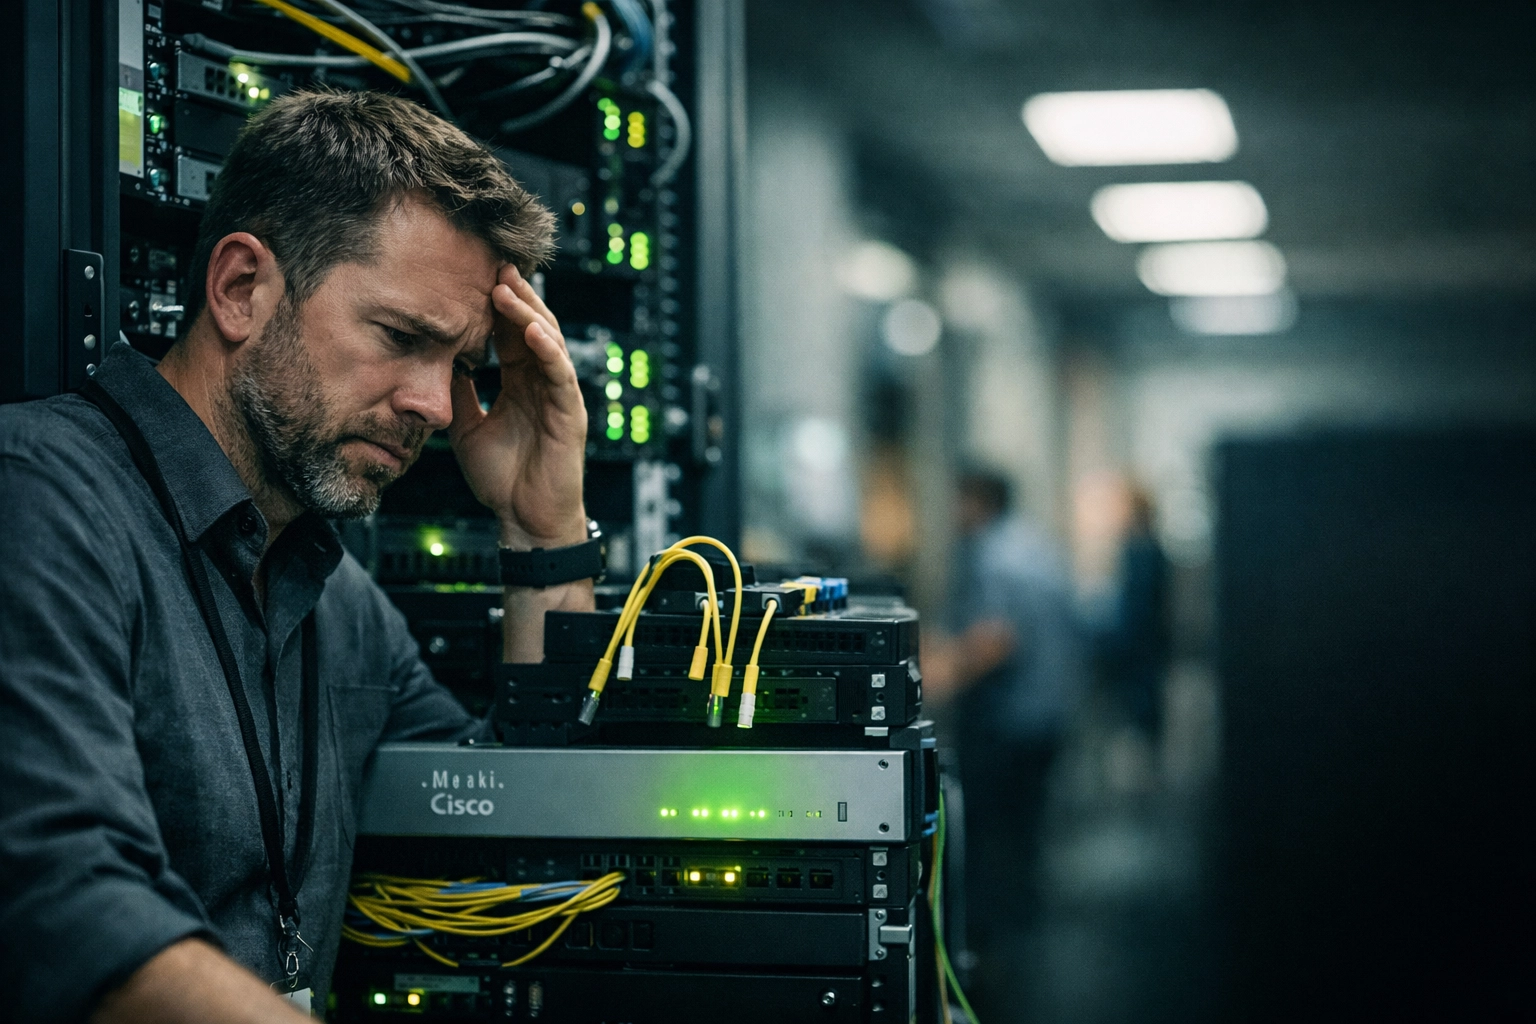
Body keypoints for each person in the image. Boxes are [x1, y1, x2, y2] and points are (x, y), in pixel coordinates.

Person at [0, 90, 597, 1022]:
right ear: (242, 289)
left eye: (462, 366)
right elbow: (66, 906)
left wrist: (541, 525)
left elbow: (510, 839)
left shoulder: (338, 601)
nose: (436, 409)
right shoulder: (41, 496)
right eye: (403, 339)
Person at [923, 467, 1086, 1015]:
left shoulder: (992, 554)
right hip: (1049, 716)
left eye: (957, 500)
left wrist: (942, 672)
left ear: (977, 501)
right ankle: (1021, 942)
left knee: (988, 836)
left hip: (1009, 723)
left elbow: (997, 637)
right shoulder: (1035, 547)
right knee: (1023, 831)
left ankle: (990, 958)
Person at [1093, 481, 1172, 747]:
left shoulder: (1140, 549)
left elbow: (1137, 608)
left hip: (1139, 643)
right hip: (1145, 641)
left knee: (1141, 707)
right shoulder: (1146, 546)